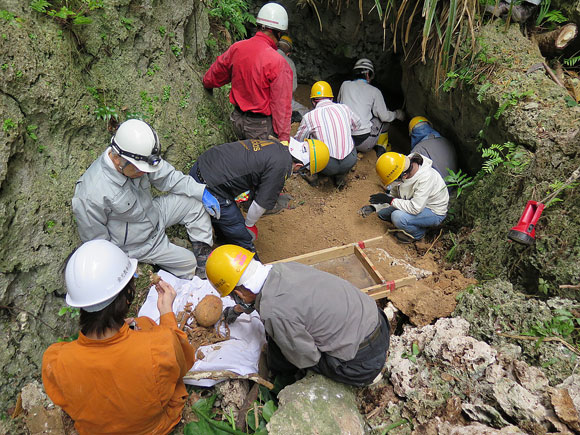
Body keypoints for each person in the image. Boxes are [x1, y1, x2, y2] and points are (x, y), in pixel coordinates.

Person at [42, 240, 195, 434]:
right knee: (146, 324)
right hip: (153, 428)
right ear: (127, 295)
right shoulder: (159, 345)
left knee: (144, 324)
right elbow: (183, 362)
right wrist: (166, 314)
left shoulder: (55, 361)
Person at [205, 244, 390, 387]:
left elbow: (306, 357)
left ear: (239, 294)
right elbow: (263, 293)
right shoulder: (283, 269)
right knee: (283, 332)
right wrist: (238, 310)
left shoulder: (274, 312)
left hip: (361, 363)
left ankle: (281, 381)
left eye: (233, 296)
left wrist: (280, 354)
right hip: (377, 322)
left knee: (282, 348)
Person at [72, 119, 217, 279]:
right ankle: (195, 270)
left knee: (196, 202)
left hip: (154, 213)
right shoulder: (90, 194)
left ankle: (204, 255)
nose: (144, 173)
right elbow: (98, 243)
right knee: (192, 265)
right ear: (117, 159)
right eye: (140, 170)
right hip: (141, 244)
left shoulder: (140, 156)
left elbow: (168, 177)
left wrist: (201, 191)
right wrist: (119, 265)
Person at [189, 138, 328, 254]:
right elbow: (260, 204)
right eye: (303, 170)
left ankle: (223, 240)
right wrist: (249, 225)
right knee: (242, 236)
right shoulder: (280, 167)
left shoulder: (276, 147)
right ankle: (251, 272)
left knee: (229, 218)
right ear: (299, 165)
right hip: (211, 186)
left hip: (204, 166)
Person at [203, 3, 293, 142]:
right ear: (278, 33)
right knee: (259, 163)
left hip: (236, 120)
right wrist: (283, 138)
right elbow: (281, 105)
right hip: (260, 127)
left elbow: (215, 74)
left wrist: (208, 84)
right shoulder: (278, 62)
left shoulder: (237, 48)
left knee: (240, 159)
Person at [359, 152, 449, 243]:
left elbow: (415, 208)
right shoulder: (402, 164)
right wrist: (374, 207)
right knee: (382, 213)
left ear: (404, 175)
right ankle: (410, 223)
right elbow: (394, 195)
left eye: (394, 180)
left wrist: (389, 200)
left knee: (397, 217)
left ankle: (418, 234)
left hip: (433, 211)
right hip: (412, 201)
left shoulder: (426, 178)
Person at [295, 81, 362, 189]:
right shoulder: (344, 108)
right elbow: (357, 125)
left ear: (313, 101)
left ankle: (313, 176)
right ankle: (340, 177)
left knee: (307, 144)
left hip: (326, 166)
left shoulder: (309, 117)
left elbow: (298, 141)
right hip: (349, 162)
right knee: (350, 139)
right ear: (331, 98)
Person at [337, 58, 405, 157]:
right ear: (368, 74)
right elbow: (385, 117)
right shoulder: (374, 91)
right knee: (384, 119)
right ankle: (381, 149)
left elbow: (339, 104)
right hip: (363, 143)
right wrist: (398, 114)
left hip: (344, 139)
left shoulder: (344, 85)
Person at [276, 35, 309, 119]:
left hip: (261, 100)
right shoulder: (289, 63)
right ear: (288, 53)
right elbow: (293, 88)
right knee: (305, 111)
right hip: (280, 101)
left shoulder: (265, 55)